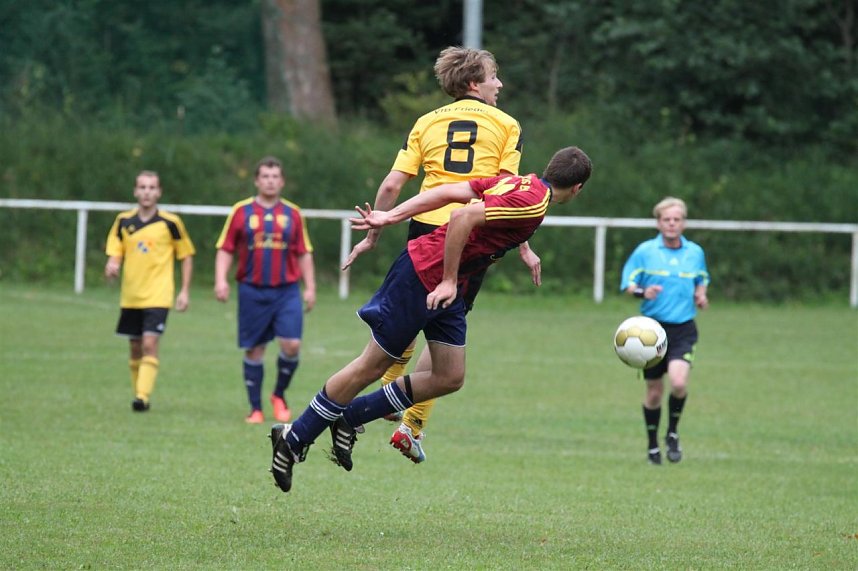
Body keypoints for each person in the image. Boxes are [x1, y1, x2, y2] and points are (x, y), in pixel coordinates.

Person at [269, 146, 592, 493]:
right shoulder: (530, 201)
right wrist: (448, 278)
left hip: (447, 284)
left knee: (449, 375)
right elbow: (460, 217)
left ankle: (351, 416)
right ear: (577, 188)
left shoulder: (518, 182)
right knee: (372, 366)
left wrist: (393, 217)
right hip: (425, 275)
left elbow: (448, 191)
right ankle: (294, 437)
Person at [342, 45, 540, 464]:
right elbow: (506, 196)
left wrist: (376, 230)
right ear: (474, 83)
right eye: (493, 76)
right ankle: (405, 420)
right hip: (473, 234)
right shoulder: (507, 125)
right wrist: (523, 243)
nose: (499, 84)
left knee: (409, 323)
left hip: (424, 227)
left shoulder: (426, 122)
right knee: (446, 328)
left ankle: (394, 410)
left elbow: (394, 183)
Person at [214, 156, 316, 424]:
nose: (270, 181)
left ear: (281, 182)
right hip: (251, 290)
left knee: (291, 345)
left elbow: (304, 252)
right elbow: (225, 248)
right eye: (265, 176)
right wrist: (221, 280)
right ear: (257, 180)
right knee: (255, 350)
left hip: (286, 291)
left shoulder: (293, 213)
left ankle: (279, 395)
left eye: (275, 177)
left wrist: (311, 288)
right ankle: (255, 408)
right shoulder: (241, 211)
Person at [620, 197, 710, 465]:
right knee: (655, 393)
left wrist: (701, 295)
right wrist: (642, 292)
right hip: (651, 333)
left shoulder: (695, 252)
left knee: (679, 382)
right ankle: (651, 446)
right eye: (667, 220)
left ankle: (672, 432)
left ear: (683, 223)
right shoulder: (645, 251)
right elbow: (628, 284)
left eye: (677, 220)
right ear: (659, 223)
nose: (672, 224)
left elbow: (702, 279)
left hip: (683, 329)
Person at [105, 170, 195, 412]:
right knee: (135, 347)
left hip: (159, 295)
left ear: (159, 192)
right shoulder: (123, 221)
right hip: (131, 295)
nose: (147, 192)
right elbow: (116, 252)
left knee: (149, 344)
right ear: (135, 191)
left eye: (151, 187)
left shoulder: (170, 222)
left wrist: (184, 291)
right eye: (142, 187)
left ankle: (142, 398)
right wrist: (112, 265)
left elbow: (186, 256)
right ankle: (138, 393)